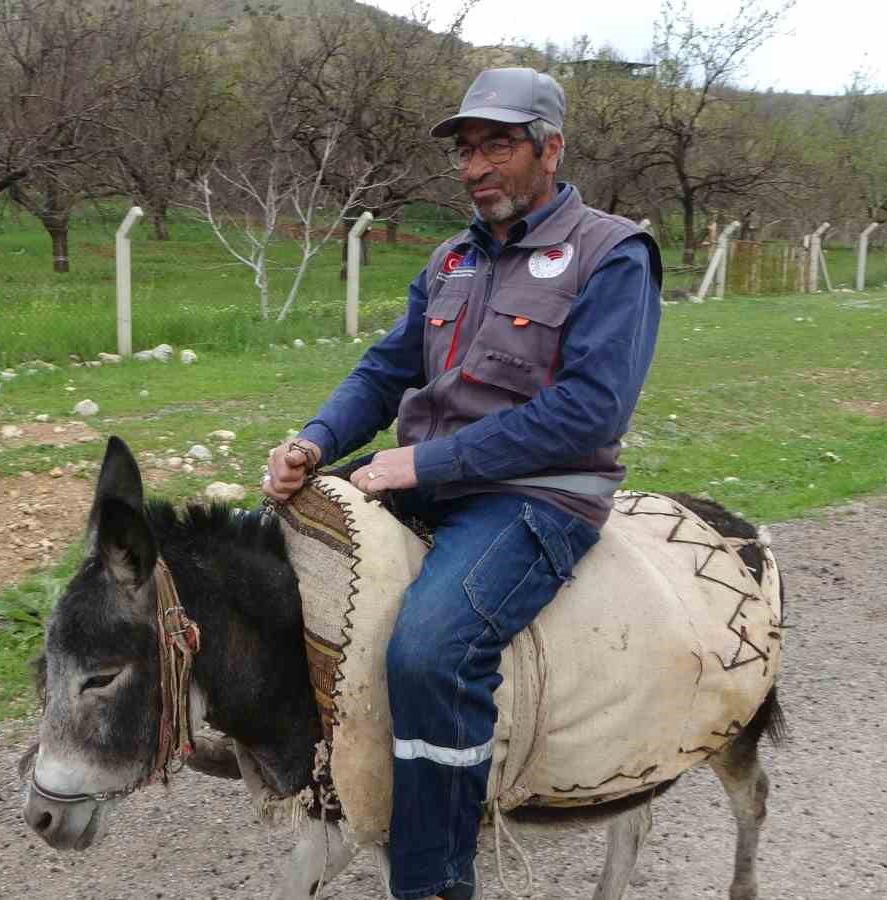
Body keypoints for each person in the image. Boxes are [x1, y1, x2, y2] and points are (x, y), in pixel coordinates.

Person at [261, 67, 663, 900]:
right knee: (252, 555)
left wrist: (426, 463)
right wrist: (315, 440)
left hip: (538, 496)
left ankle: (434, 879)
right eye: (467, 150)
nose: (476, 167)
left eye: (499, 145)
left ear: (551, 147)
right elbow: (386, 369)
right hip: (421, 480)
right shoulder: (452, 258)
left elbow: (589, 411)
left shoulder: (611, 253)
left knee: (430, 652)